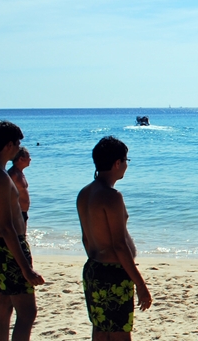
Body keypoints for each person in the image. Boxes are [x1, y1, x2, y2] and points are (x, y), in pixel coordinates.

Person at [0, 121, 45, 341]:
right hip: (9, 245)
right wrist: (26, 268)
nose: (18, 148)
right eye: (17, 143)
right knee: (27, 312)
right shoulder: (0, 177)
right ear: (8, 145)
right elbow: (6, 227)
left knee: (3, 306)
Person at [76, 136, 152, 339]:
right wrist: (141, 285)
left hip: (94, 268)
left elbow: (86, 239)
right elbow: (119, 245)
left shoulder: (84, 193)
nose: (127, 165)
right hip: (113, 273)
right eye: (126, 160)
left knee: (100, 330)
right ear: (117, 163)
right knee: (120, 333)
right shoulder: (111, 196)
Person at [7, 147, 32, 223]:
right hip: (16, 213)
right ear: (21, 159)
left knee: (23, 235)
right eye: (28, 157)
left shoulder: (19, 172)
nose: (30, 159)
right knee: (19, 235)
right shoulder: (13, 174)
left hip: (22, 212)